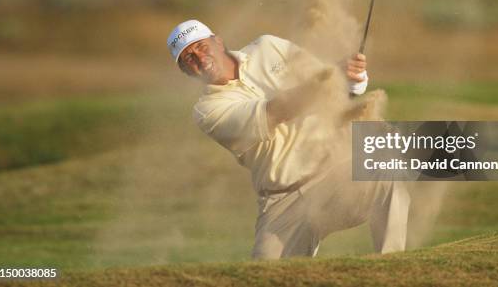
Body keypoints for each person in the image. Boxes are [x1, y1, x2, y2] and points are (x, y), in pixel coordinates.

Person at [167, 19, 410, 259]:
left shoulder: (267, 47)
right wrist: (331, 78)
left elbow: (328, 79)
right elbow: (274, 112)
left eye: (201, 46)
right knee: (266, 277)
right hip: (284, 199)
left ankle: (392, 266)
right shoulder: (207, 110)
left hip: (337, 174)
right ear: (185, 71)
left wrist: (351, 77)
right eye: (188, 58)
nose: (199, 58)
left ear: (217, 42)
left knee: (385, 170)